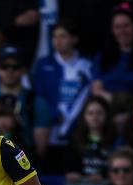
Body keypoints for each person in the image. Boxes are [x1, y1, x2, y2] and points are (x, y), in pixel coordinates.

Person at [31, 19, 93, 170]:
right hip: (51, 123)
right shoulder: (44, 64)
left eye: (63, 36)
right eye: (55, 37)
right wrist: (53, 113)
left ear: (74, 39)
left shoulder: (87, 64)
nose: (57, 41)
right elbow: (39, 92)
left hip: (78, 121)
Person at [63, 96, 117, 183]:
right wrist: (72, 173)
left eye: (99, 113)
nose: (95, 117)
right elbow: (70, 167)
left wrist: (103, 175)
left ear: (107, 115)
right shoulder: (74, 140)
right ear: (84, 116)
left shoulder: (116, 140)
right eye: (90, 113)